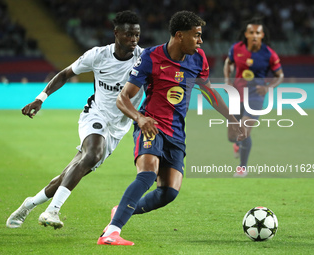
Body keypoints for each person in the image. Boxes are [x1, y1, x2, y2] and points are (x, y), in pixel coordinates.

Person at [97, 10, 247, 246]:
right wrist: (139, 118)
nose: (200, 41)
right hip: (151, 126)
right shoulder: (151, 57)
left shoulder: (198, 59)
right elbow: (122, 98)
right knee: (147, 174)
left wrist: (231, 118)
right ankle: (111, 232)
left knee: (169, 193)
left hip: (176, 133)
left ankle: (122, 210)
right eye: (196, 35)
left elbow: (208, 91)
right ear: (179, 35)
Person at [6, 10, 144, 229]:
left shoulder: (143, 59)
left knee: (71, 173)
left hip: (119, 127)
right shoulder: (98, 55)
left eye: (137, 35)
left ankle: (29, 204)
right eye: (129, 35)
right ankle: (52, 211)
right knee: (92, 154)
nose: (134, 40)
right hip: (96, 114)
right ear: (116, 33)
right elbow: (64, 74)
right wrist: (40, 98)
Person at [223, 17, 284, 177]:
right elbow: (228, 63)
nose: (255, 35)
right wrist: (227, 80)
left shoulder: (269, 54)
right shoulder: (236, 48)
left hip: (255, 96)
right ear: (246, 34)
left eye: (258, 32)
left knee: (244, 131)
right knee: (231, 136)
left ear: (262, 34)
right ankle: (236, 144)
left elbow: (280, 75)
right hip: (236, 95)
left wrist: (268, 87)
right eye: (251, 32)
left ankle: (242, 167)